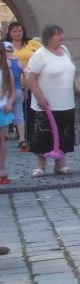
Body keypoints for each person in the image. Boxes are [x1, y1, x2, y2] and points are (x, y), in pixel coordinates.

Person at [26, 24, 78, 177]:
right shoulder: (40, 54)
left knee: (63, 132)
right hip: (46, 103)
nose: (61, 37)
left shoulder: (65, 51)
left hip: (66, 101)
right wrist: (39, 96)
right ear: (49, 37)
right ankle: (41, 166)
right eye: (57, 34)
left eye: (61, 34)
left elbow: (71, 71)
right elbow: (31, 78)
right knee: (44, 133)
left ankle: (60, 164)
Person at [3, 23, 27, 149]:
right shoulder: (19, 61)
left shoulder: (4, 63)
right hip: (19, 90)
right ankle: (22, 138)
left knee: (5, 114)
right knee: (20, 115)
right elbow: (27, 76)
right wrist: (25, 90)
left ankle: (5, 136)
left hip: (7, 92)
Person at [0, 42, 14, 184]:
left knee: (1, 140)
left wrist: (9, 103)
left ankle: (2, 167)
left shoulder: (6, 71)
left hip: (1, 109)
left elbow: (12, 91)